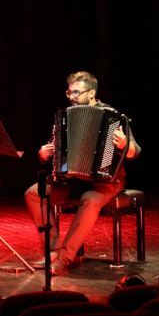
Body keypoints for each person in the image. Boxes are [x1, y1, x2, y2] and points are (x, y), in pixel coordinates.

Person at [24, 71, 140, 276]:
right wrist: (43, 154)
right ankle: (53, 250)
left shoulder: (112, 117)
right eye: (69, 92)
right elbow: (54, 151)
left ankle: (65, 257)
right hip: (71, 180)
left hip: (104, 181)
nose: (71, 97)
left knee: (90, 199)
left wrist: (125, 145)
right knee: (34, 194)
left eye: (76, 93)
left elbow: (134, 151)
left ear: (92, 93)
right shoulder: (65, 117)